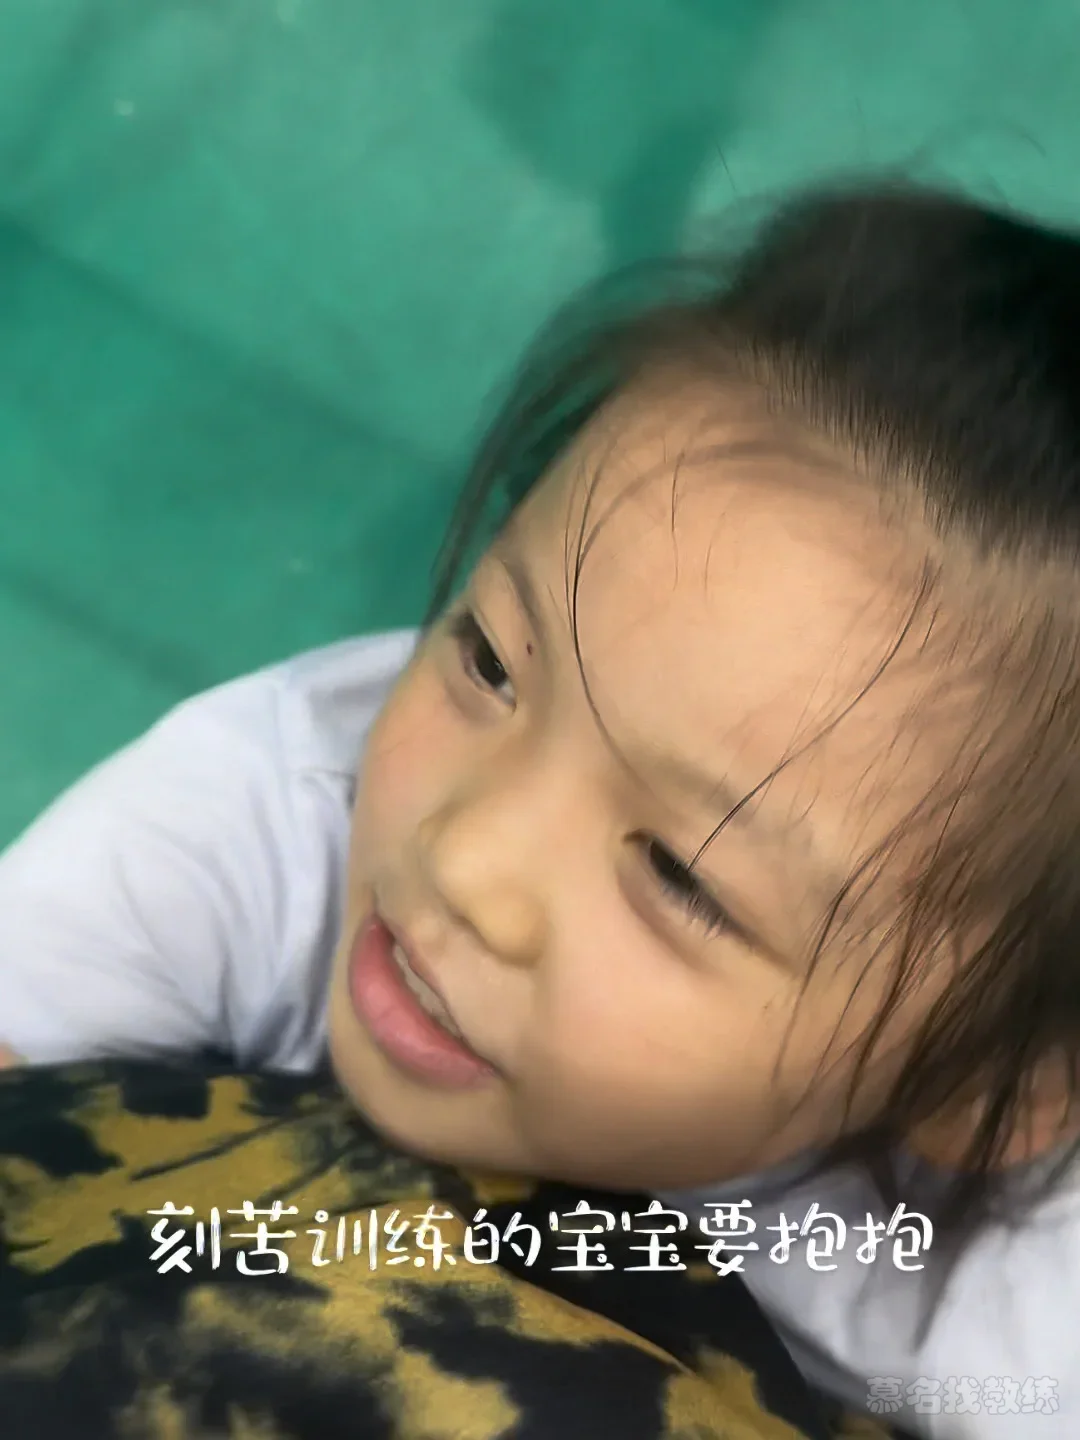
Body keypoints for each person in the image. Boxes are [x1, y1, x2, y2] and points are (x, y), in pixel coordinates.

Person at [1, 181, 1077, 1438]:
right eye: (492, 666)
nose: (464, 860)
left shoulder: (1015, 1297)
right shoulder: (264, 813)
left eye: (679, 875)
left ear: (994, 1087)